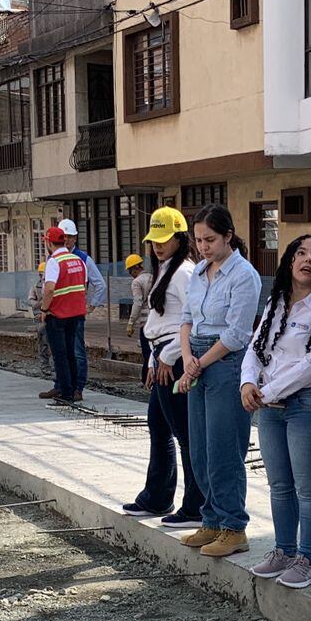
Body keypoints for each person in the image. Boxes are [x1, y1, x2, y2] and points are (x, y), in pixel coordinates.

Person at [242, 235, 311, 589]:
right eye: (300, 253)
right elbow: (255, 347)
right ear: (290, 260)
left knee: (307, 486)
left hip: (309, 405)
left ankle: (308, 560)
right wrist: (247, 383)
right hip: (271, 408)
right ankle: (283, 551)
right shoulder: (277, 301)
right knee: (280, 485)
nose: (307, 260)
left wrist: (266, 391)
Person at [175, 204, 260, 558]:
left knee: (225, 448)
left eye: (210, 239)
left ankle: (233, 526)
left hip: (224, 362)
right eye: (198, 240)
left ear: (228, 236)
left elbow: (238, 333)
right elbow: (186, 317)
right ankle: (211, 519)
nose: (203, 247)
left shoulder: (244, 275)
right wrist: (186, 359)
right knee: (200, 447)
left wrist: (198, 364)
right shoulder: (197, 272)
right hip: (195, 357)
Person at [122, 208, 204, 528]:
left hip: (177, 356)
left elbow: (194, 320)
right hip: (163, 356)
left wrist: (169, 355)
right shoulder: (164, 269)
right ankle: (157, 496)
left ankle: (195, 505)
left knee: (185, 433)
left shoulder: (184, 272)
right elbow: (158, 321)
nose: (157, 245)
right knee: (158, 427)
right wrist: (154, 358)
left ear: (179, 238)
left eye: (164, 239)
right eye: (154, 240)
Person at [38, 226, 89, 402]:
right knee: (70, 353)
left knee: (60, 355)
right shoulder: (77, 260)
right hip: (76, 314)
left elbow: (50, 288)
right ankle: (73, 389)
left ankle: (65, 393)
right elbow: (83, 285)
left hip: (57, 314)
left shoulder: (54, 261)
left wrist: (44, 310)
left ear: (49, 243)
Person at [59, 219, 108, 394]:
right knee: (60, 351)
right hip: (58, 313)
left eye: (69, 237)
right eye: (63, 237)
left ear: (75, 238)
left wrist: (92, 306)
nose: (66, 240)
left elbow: (100, 284)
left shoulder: (83, 259)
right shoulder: (53, 258)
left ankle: (78, 387)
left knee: (77, 351)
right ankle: (62, 386)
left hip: (75, 313)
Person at [27, 260, 52, 377]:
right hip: (40, 317)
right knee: (43, 341)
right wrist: (40, 304)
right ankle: (44, 365)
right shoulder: (35, 287)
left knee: (53, 342)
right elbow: (30, 301)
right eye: (42, 274)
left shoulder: (52, 285)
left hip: (52, 315)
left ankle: (54, 365)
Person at [125, 253, 150, 344]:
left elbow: (137, 303)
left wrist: (131, 322)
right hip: (156, 320)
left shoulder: (137, 282)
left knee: (146, 351)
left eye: (130, 271)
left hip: (144, 322)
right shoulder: (152, 277)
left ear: (135, 268)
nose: (130, 274)